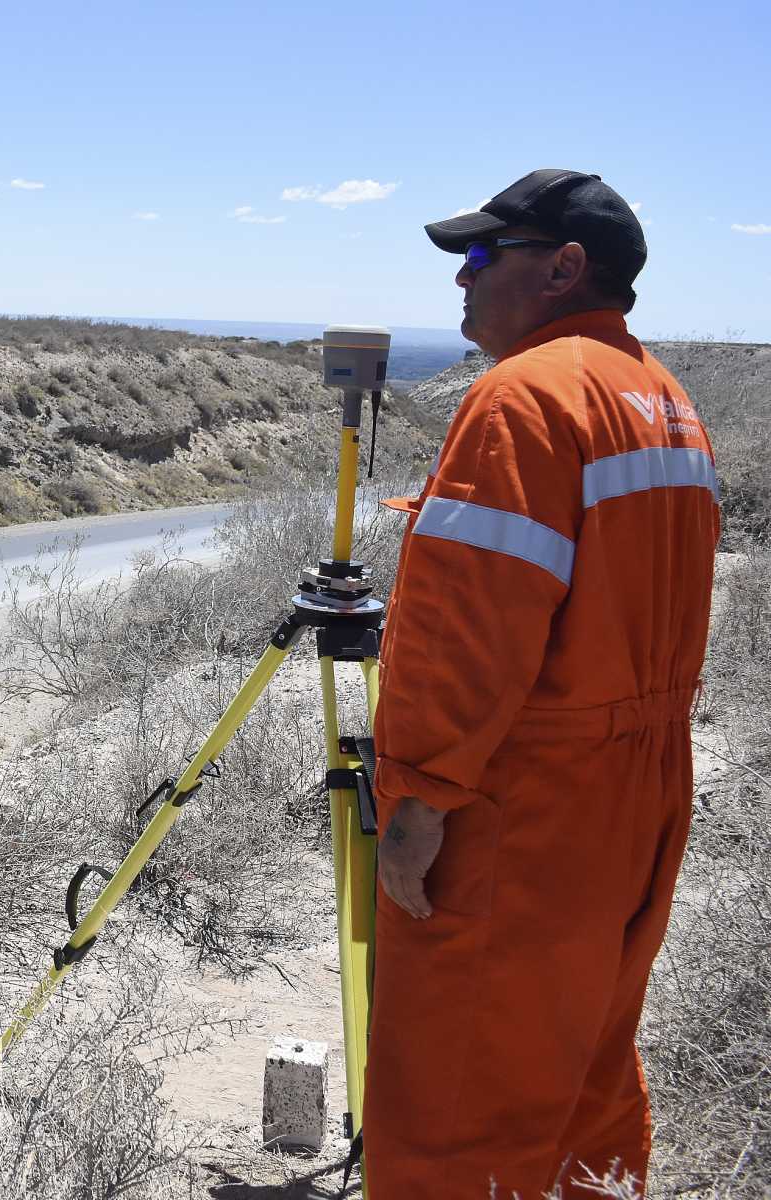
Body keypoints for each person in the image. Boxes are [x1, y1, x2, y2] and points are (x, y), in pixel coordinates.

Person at [362, 170, 722, 1195]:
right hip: (638, 795)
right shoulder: (665, 400)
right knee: (585, 1073)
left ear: (564, 267)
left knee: (458, 1103)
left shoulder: (524, 396)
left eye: (484, 257)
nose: (463, 283)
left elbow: (474, 623)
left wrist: (421, 796)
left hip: (523, 805)